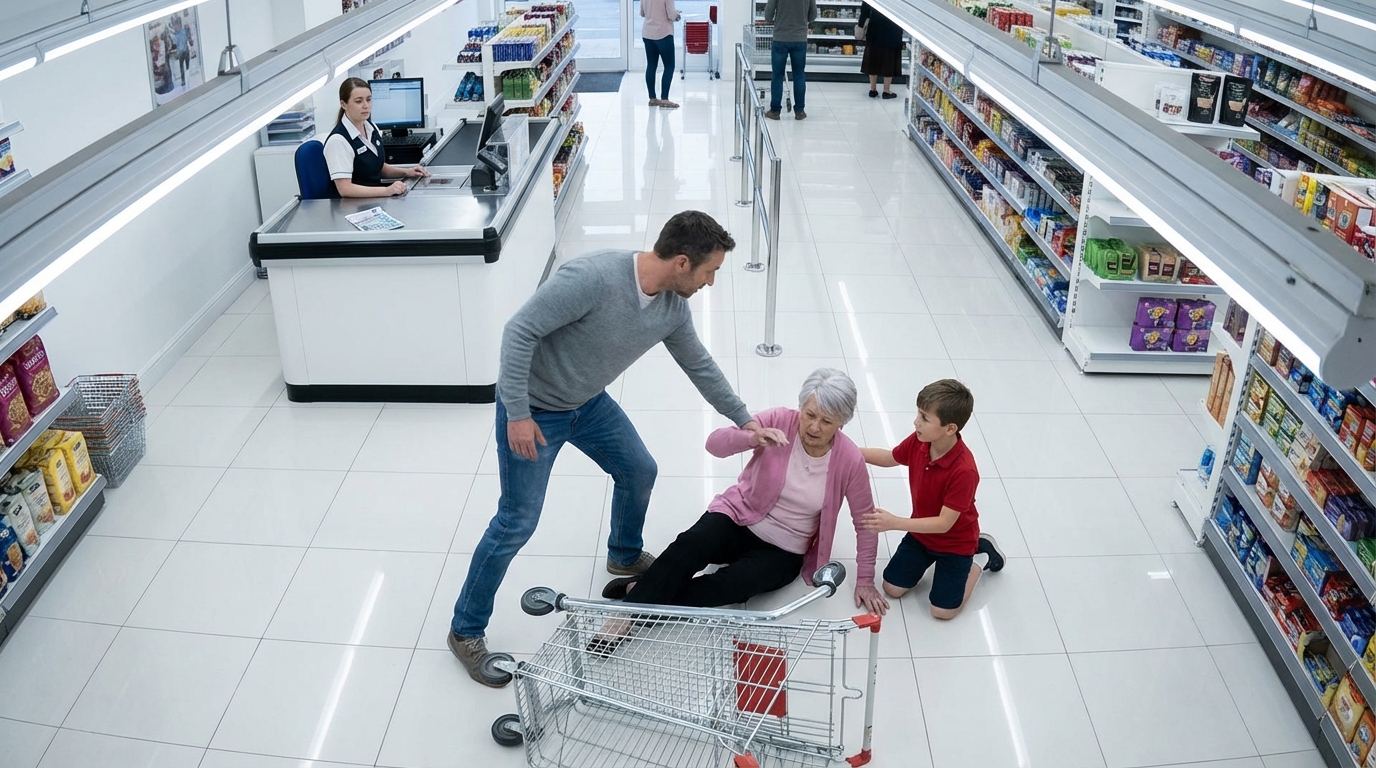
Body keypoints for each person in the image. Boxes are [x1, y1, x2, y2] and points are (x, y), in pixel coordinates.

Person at [448, 211, 781, 686]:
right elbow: (519, 332)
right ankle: (465, 630)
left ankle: (623, 554)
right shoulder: (593, 277)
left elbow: (700, 365)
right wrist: (517, 413)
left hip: (586, 404)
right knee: (516, 522)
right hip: (534, 411)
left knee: (639, 469)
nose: (710, 282)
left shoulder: (671, 308)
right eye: (710, 271)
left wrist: (745, 420)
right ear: (682, 262)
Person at [600, 368, 890, 617]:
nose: (814, 427)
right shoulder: (779, 419)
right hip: (739, 516)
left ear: (841, 423)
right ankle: (624, 619)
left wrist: (865, 579)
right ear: (800, 407)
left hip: (785, 549)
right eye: (809, 414)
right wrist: (751, 437)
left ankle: (639, 593)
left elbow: (866, 522)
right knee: (689, 545)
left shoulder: (849, 459)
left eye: (826, 421)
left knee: (731, 586)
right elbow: (714, 444)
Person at [859, 379, 1004, 620]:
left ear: (950, 428)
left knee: (942, 612)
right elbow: (890, 457)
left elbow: (944, 523)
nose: (916, 421)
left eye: (925, 418)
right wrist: (850, 451)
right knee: (891, 588)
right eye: (918, 413)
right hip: (921, 535)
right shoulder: (920, 441)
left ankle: (981, 556)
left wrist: (894, 523)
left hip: (955, 544)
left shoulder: (964, 470)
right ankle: (932, 562)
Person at [322, 78, 429, 199]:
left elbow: (378, 167)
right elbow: (345, 189)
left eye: (368, 99)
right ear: (343, 104)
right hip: (353, 205)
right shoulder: (338, 141)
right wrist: (387, 190)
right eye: (359, 101)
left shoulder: (370, 127)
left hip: (374, 199)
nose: (366, 106)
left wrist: (407, 172)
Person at [762, 0, 817, 120]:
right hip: (800, 39)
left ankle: (775, 111)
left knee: (777, 75)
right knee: (799, 74)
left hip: (780, 38)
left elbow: (768, 14)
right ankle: (800, 111)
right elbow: (813, 15)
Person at [641, 0, 681, 109]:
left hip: (648, 34)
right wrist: (677, 15)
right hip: (663, 34)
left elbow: (642, 13)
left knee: (651, 65)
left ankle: (652, 98)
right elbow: (672, 15)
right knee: (669, 66)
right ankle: (664, 99)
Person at [858, 3, 903, 99]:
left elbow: (865, 10)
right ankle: (886, 91)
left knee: (873, 55)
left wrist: (860, 25)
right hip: (892, 27)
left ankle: (872, 89)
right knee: (889, 57)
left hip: (875, 27)